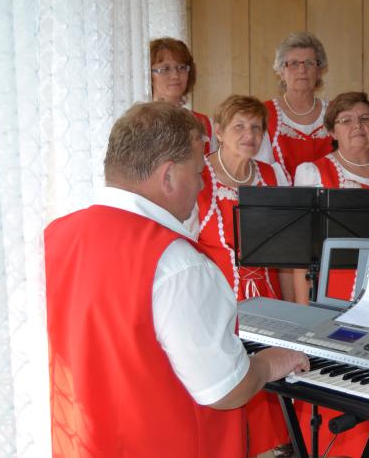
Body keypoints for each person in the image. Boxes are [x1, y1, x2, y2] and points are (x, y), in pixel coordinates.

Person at [45, 102, 309, 457]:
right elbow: (225, 389)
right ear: (168, 175)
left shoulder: (55, 234)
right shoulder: (178, 262)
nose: (201, 184)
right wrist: (267, 363)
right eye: (198, 172)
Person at [291, 92, 369, 458]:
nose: (357, 126)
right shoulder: (313, 173)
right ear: (332, 131)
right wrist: (303, 310)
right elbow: (299, 248)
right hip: (331, 293)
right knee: (332, 381)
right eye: (347, 120)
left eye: (365, 119)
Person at [186, 95, 294, 457]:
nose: (249, 135)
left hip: (268, 307)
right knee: (229, 393)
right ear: (218, 131)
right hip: (218, 309)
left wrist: (298, 310)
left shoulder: (273, 176)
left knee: (267, 401)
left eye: (256, 127)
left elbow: (290, 252)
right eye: (239, 126)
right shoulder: (198, 176)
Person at [256, 31, 333, 182]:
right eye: (294, 64)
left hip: (330, 196)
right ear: (281, 72)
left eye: (309, 63)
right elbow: (259, 170)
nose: (302, 70)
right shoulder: (263, 113)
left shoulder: (336, 112)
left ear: (319, 71)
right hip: (278, 196)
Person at [150, 37, 216, 153]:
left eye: (181, 67)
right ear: (148, 74)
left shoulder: (205, 123)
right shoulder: (138, 123)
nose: (175, 75)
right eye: (165, 69)